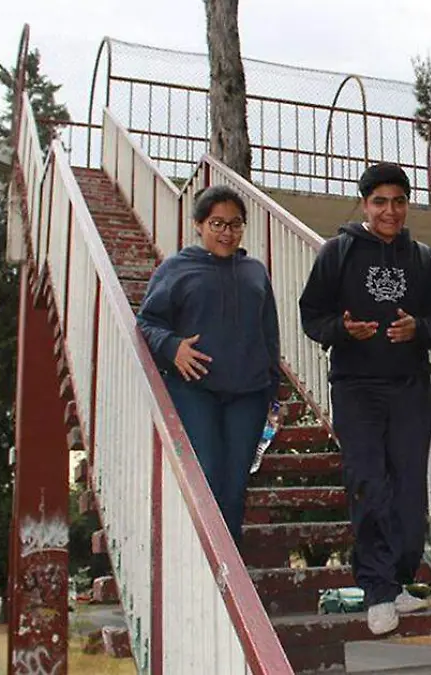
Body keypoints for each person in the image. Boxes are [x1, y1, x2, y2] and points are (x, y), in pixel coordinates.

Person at [299, 162, 431, 636]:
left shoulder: (424, 258)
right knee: (370, 485)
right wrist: (342, 331)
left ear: (407, 205)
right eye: (380, 202)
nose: (390, 211)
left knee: (408, 490)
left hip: (409, 388)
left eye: (399, 201)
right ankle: (377, 590)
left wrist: (419, 330)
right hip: (356, 388)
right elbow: (312, 316)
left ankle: (399, 579)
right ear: (365, 204)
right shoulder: (337, 253)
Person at [138, 185, 281, 544]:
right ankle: (202, 563)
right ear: (198, 225)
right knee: (207, 478)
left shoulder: (254, 272)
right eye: (217, 223)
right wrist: (173, 348)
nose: (226, 232)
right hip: (194, 391)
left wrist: (274, 395)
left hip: (248, 396)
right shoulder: (176, 268)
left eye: (235, 224)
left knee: (234, 488)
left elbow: (269, 335)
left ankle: (226, 578)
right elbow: (147, 322)